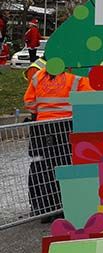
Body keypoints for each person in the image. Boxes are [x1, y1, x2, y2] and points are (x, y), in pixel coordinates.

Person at [23, 60, 91, 217]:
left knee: (43, 166)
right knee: (65, 165)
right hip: (64, 127)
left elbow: (29, 103)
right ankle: (63, 207)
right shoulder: (74, 79)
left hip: (41, 128)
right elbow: (90, 97)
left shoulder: (38, 77)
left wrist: (44, 111)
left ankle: (45, 209)